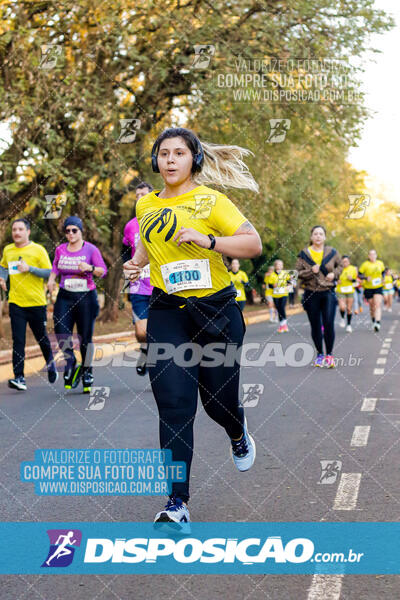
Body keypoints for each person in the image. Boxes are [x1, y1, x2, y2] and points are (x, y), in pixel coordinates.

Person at [123, 127, 262, 528]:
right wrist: (138, 262)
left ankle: (237, 429)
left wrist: (208, 241)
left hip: (217, 312)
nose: (169, 160)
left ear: (193, 160)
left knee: (217, 404)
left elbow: (252, 244)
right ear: (156, 161)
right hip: (168, 312)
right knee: (174, 405)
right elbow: (149, 248)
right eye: (163, 153)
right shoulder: (145, 205)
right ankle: (177, 504)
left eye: (178, 153)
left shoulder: (211, 201)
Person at [47, 216, 107, 393]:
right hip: (65, 296)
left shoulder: (91, 249)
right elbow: (55, 267)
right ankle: (71, 361)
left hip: (86, 297)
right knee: (61, 331)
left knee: (85, 338)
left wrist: (89, 268)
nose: (71, 234)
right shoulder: (60, 249)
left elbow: (102, 271)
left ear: (81, 231)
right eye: (67, 230)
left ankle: (87, 372)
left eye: (74, 230)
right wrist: (51, 280)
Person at [0, 217, 57, 391]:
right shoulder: (8, 250)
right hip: (16, 302)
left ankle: (50, 362)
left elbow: (49, 272)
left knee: (41, 338)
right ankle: (19, 377)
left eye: (20, 229)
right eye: (14, 230)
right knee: (18, 340)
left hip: (36, 303)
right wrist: (2, 277)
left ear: (28, 232)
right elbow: (3, 266)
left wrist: (30, 269)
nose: (16, 232)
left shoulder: (37, 250)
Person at [295, 225, 342, 368]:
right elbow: (296, 273)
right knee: (315, 325)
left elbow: (340, 266)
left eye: (321, 234)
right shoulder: (303, 254)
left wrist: (334, 274)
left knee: (328, 323)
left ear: (325, 237)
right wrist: (310, 271)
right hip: (311, 293)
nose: (318, 236)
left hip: (328, 292)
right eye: (315, 234)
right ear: (311, 237)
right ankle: (320, 354)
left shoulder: (332, 252)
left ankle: (330, 355)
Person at [121, 182, 154, 375]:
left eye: (143, 195)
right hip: (138, 286)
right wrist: (129, 273)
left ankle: (157, 365)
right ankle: (145, 349)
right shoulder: (130, 226)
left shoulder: (161, 218)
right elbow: (125, 252)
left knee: (160, 329)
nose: (139, 199)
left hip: (160, 286)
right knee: (141, 332)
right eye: (137, 196)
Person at [358, 250, 385, 332]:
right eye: (371, 254)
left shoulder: (380, 263)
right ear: (368, 256)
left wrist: (383, 278)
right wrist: (366, 278)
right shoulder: (365, 264)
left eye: (374, 254)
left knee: (377, 304)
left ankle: (378, 322)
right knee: (372, 306)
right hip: (368, 288)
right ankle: (373, 321)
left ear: (376, 255)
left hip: (378, 287)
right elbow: (359, 274)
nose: (372, 256)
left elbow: (383, 272)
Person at [336, 255, 358, 333]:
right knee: (342, 307)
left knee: (349, 308)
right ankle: (342, 318)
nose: (345, 263)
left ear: (349, 262)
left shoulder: (353, 269)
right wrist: (337, 281)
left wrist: (352, 279)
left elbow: (356, 281)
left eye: (346, 261)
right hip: (340, 290)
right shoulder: (338, 269)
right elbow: (334, 278)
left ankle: (349, 325)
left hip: (350, 291)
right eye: (343, 261)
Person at [268, 259, 290, 333]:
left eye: (281, 265)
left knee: (282, 307)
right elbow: (269, 285)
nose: (280, 266)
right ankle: (281, 325)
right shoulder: (272, 275)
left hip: (284, 294)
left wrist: (288, 285)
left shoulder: (285, 273)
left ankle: (284, 325)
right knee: (278, 309)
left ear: (282, 266)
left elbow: (290, 281)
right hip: (275, 295)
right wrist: (273, 285)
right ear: (275, 266)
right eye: (278, 264)